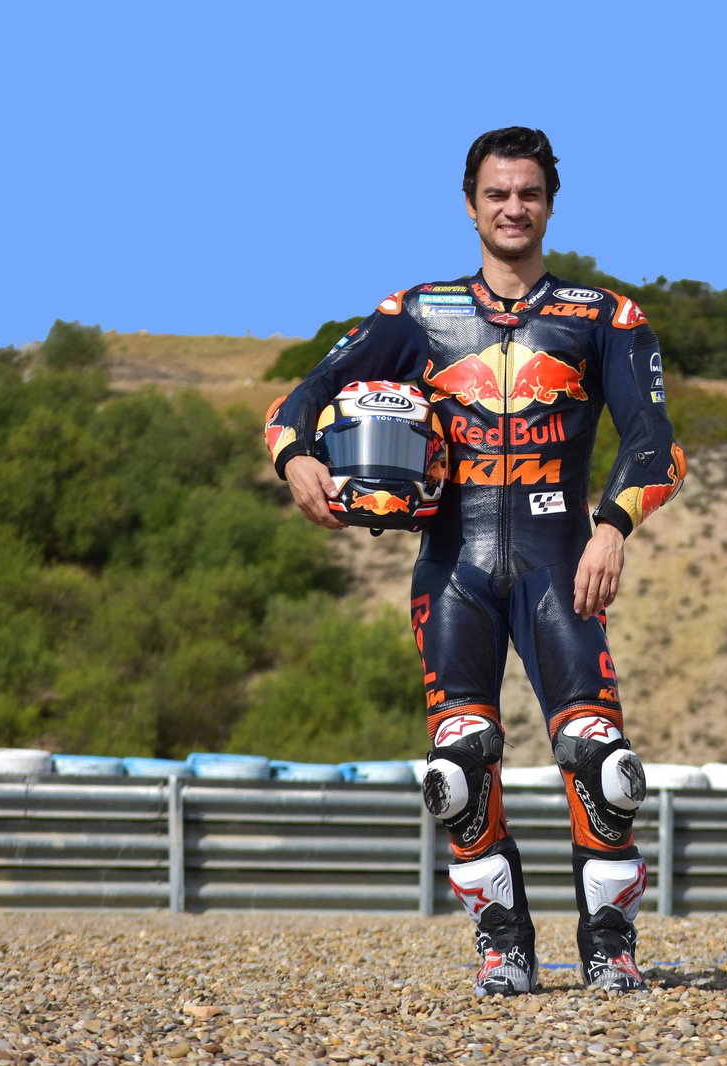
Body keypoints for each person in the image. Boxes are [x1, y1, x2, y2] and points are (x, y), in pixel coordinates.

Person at [265, 127, 685, 995]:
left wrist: (612, 528)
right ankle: (504, 946)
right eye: (497, 194)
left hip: (562, 564)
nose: (513, 208)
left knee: (602, 762)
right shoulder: (414, 314)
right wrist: (296, 457)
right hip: (452, 569)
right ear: (470, 205)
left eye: (528, 193)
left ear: (551, 203)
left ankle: (610, 946)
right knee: (457, 771)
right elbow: (300, 398)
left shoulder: (606, 315)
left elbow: (657, 444)